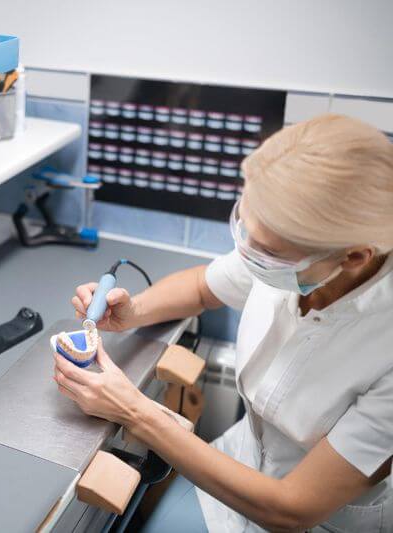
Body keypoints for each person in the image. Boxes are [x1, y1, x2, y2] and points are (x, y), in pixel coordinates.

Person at [56, 114, 393, 532]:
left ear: (354, 258)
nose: (249, 252)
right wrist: (133, 312)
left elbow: (293, 509)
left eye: (267, 249)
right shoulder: (289, 251)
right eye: (247, 228)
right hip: (238, 465)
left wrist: (133, 410)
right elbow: (202, 287)